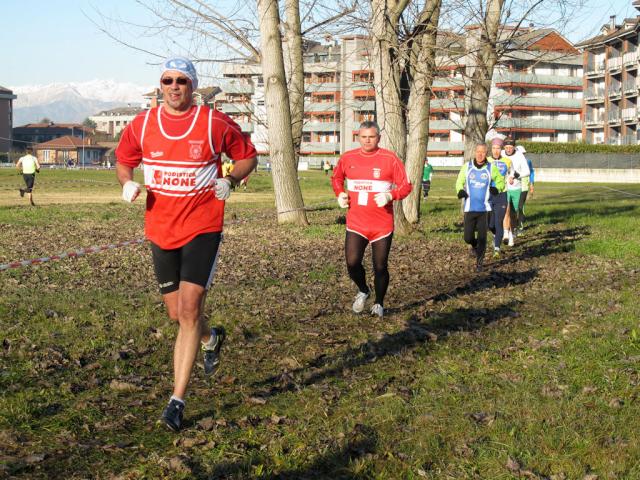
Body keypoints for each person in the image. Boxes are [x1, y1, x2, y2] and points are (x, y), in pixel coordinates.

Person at [115, 57, 257, 432]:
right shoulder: (142, 124)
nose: (174, 86)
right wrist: (126, 182)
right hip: (160, 228)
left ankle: (176, 401)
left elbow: (247, 156)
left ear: (192, 86)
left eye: (181, 80)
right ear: (160, 85)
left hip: (202, 226)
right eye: (167, 80)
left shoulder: (213, 122)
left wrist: (232, 179)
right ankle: (211, 338)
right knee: (177, 315)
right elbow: (124, 160)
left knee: (190, 309)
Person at [331, 121, 411, 318]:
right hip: (356, 223)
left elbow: (406, 186)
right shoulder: (348, 157)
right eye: (364, 136)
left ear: (379, 138)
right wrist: (340, 193)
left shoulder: (389, 159)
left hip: (381, 224)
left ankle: (379, 303)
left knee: (380, 266)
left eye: (371, 137)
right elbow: (336, 178)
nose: (367, 140)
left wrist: (391, 196)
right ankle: (363, 290)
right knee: (352, 262)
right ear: (358, 137)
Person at [455, 143, 505, 272]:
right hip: (470, 208)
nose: (480, 154)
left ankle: (479, 262)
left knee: (482, 237)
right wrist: (460, 190)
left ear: (486, 153)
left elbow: (500, 181)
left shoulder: (491, 168)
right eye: (478, 151)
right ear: (475, 152)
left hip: (485, 209)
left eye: (483, 152)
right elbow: (459, 181)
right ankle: (474, 244)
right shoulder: (467, 167)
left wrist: (496, 188)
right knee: (467, 237)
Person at [502, 137, 530, 246]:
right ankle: (505, 233)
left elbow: (527, 171)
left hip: (516, 188)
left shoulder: (519, 155)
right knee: (506, 210)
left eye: (510, 147)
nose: (508, 149)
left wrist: (516, 175)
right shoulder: (501, 154)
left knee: (513, 214)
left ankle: (511, 234)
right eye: (506, 147)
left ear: (514, 147)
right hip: (504, 188)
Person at [486, 138, 510, 258]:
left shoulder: (507, 161)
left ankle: (497, 249)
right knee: (490, 225)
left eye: (498, 148)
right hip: (489, 195)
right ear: (491, 149)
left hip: (501, 194)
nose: (496, 151)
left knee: (498, 222)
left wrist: (512, 178)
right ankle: (497, 235)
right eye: (494, 148)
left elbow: (513, 173)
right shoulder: (486, 161)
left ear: (501, 149)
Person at [517, 147, 534, 231]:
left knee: (520, 206)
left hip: (524, 187)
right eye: (521, 153)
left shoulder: (528, 161)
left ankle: (520, 226)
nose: (523, 155)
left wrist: (531, 184)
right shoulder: (512, 161)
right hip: (513, 187)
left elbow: (531, 172)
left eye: (524, 154)